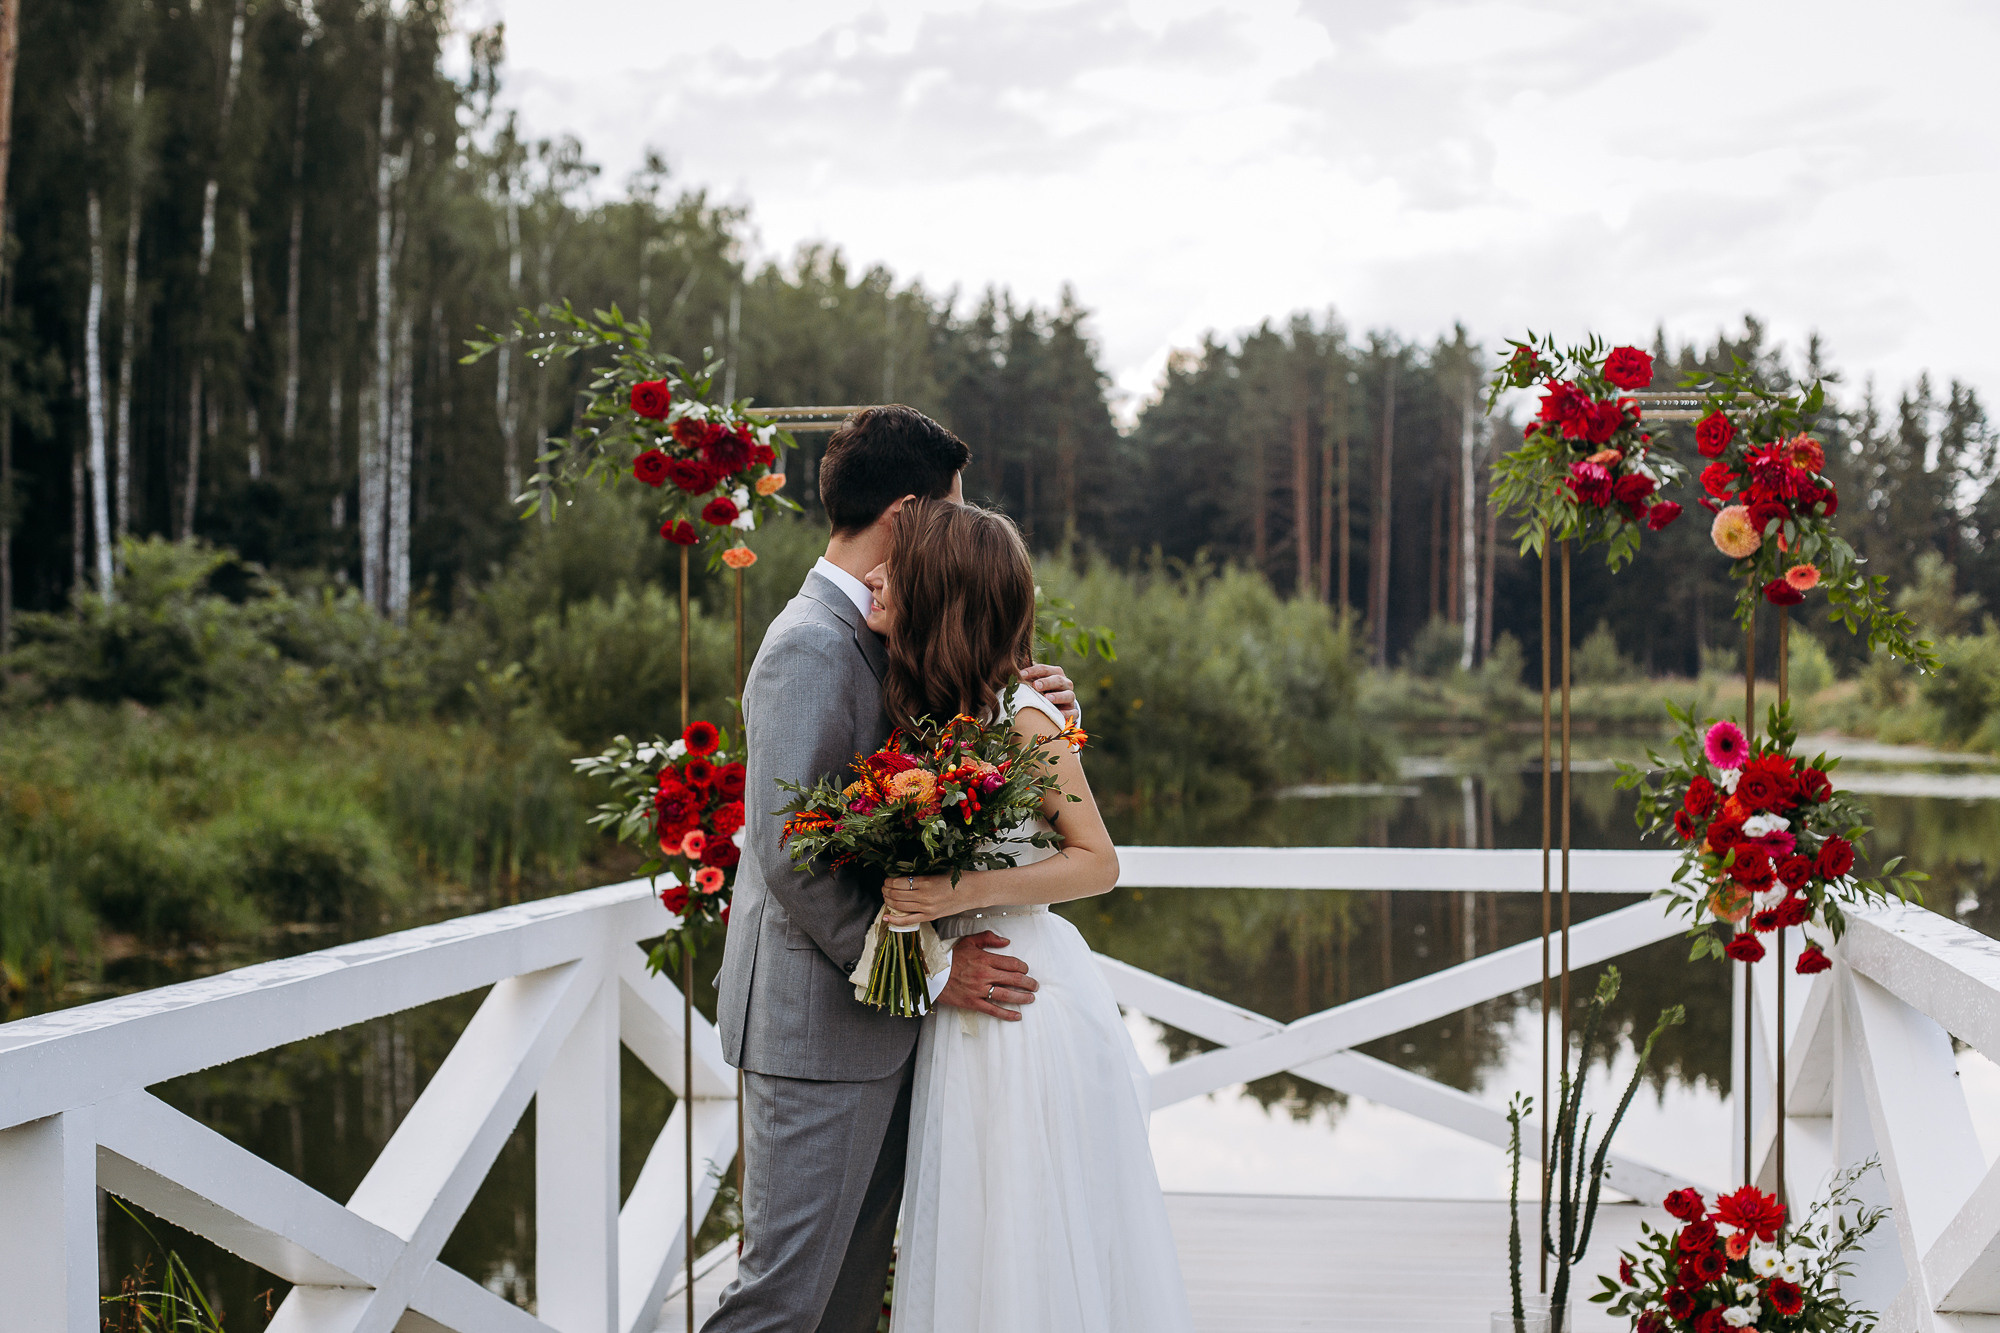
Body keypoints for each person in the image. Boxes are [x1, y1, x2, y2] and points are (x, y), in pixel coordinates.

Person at [709, 405, 1078, 1333]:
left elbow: (935, 743)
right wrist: (936, 970)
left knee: (842, 1303)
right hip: (818, 1028)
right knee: (781, 1303)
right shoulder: (809, 641)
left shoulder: (880, 622)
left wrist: (1019, 689)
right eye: (951, 512)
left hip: (877, 1021)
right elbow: (792, 850)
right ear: (909, 512)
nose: (957, 530)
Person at [872, 499, 1193, 1332]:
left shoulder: (1022, 712)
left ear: (940, 592)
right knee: (972, 1228)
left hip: (1025, 1001)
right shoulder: (934, 710)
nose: (878, 577)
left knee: (1029, 1229)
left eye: (896, 571)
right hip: (962, 998)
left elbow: (1099, 860)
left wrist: (954, 895)